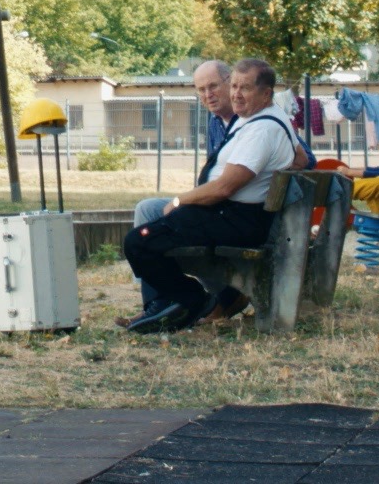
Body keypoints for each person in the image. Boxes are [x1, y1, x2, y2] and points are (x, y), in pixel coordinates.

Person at [122, 58, 299, 334]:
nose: (236, 94)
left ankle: (194, 302)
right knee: (145, 231)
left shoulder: (262, 129)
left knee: (139, 243)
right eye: (235, 87)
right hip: (224, 212)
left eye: (245, 88)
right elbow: (297, 156)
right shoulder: (258, 118)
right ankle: (170, 303)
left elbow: (225, 188)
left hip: (231, 217)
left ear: (266, 94)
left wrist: (180, 201)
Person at [118, 60, 230, 328]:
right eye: (201, 89)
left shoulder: (247, 122)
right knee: (147, 208)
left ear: (230, 82)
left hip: (228, 209)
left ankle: (184, 299)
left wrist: (186, 200)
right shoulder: (216, 123)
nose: (207, 94)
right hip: (212, 203)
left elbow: (302, 157)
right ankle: (156, 303)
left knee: (150, 232)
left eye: (213, 86)